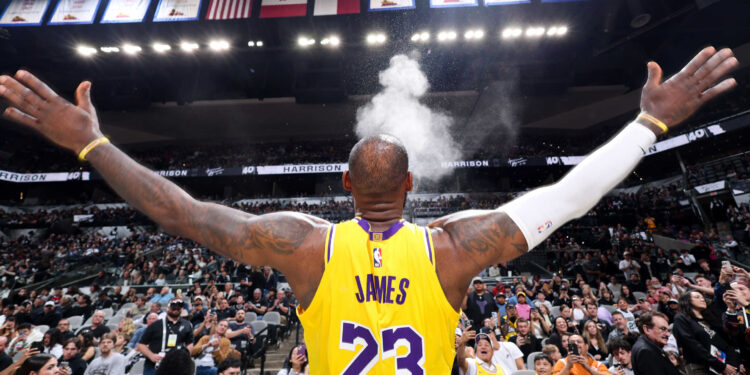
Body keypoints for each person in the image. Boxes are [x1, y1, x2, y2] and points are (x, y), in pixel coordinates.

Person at [0, 47, 739, 373]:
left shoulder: (304, 243)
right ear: (413, 186)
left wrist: (92, 145)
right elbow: (569, 197)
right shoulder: (452, 246)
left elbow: (184, 213)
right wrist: (648, 125)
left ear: (344, 187)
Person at [672, 290, 739, 375]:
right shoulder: (681, 318)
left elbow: (725, 343)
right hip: (699, 367)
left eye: (702, 297)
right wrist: (720, 366)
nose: (702, 299)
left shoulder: (708, 319)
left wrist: (733, 364)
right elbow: (692, 345)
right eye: (697, 297)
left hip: (721, 365)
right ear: (687, 301)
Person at [137, 299, 194, 375]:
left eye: (179, 307)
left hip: (176, 367)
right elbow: (141, 344)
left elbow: (190, 343)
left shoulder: (187, 325)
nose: (176, 309)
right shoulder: (155, 325)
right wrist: (151, 355)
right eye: (173, 306)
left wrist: (184, 357)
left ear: (182, 309)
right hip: (154, 366)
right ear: (167, 308)